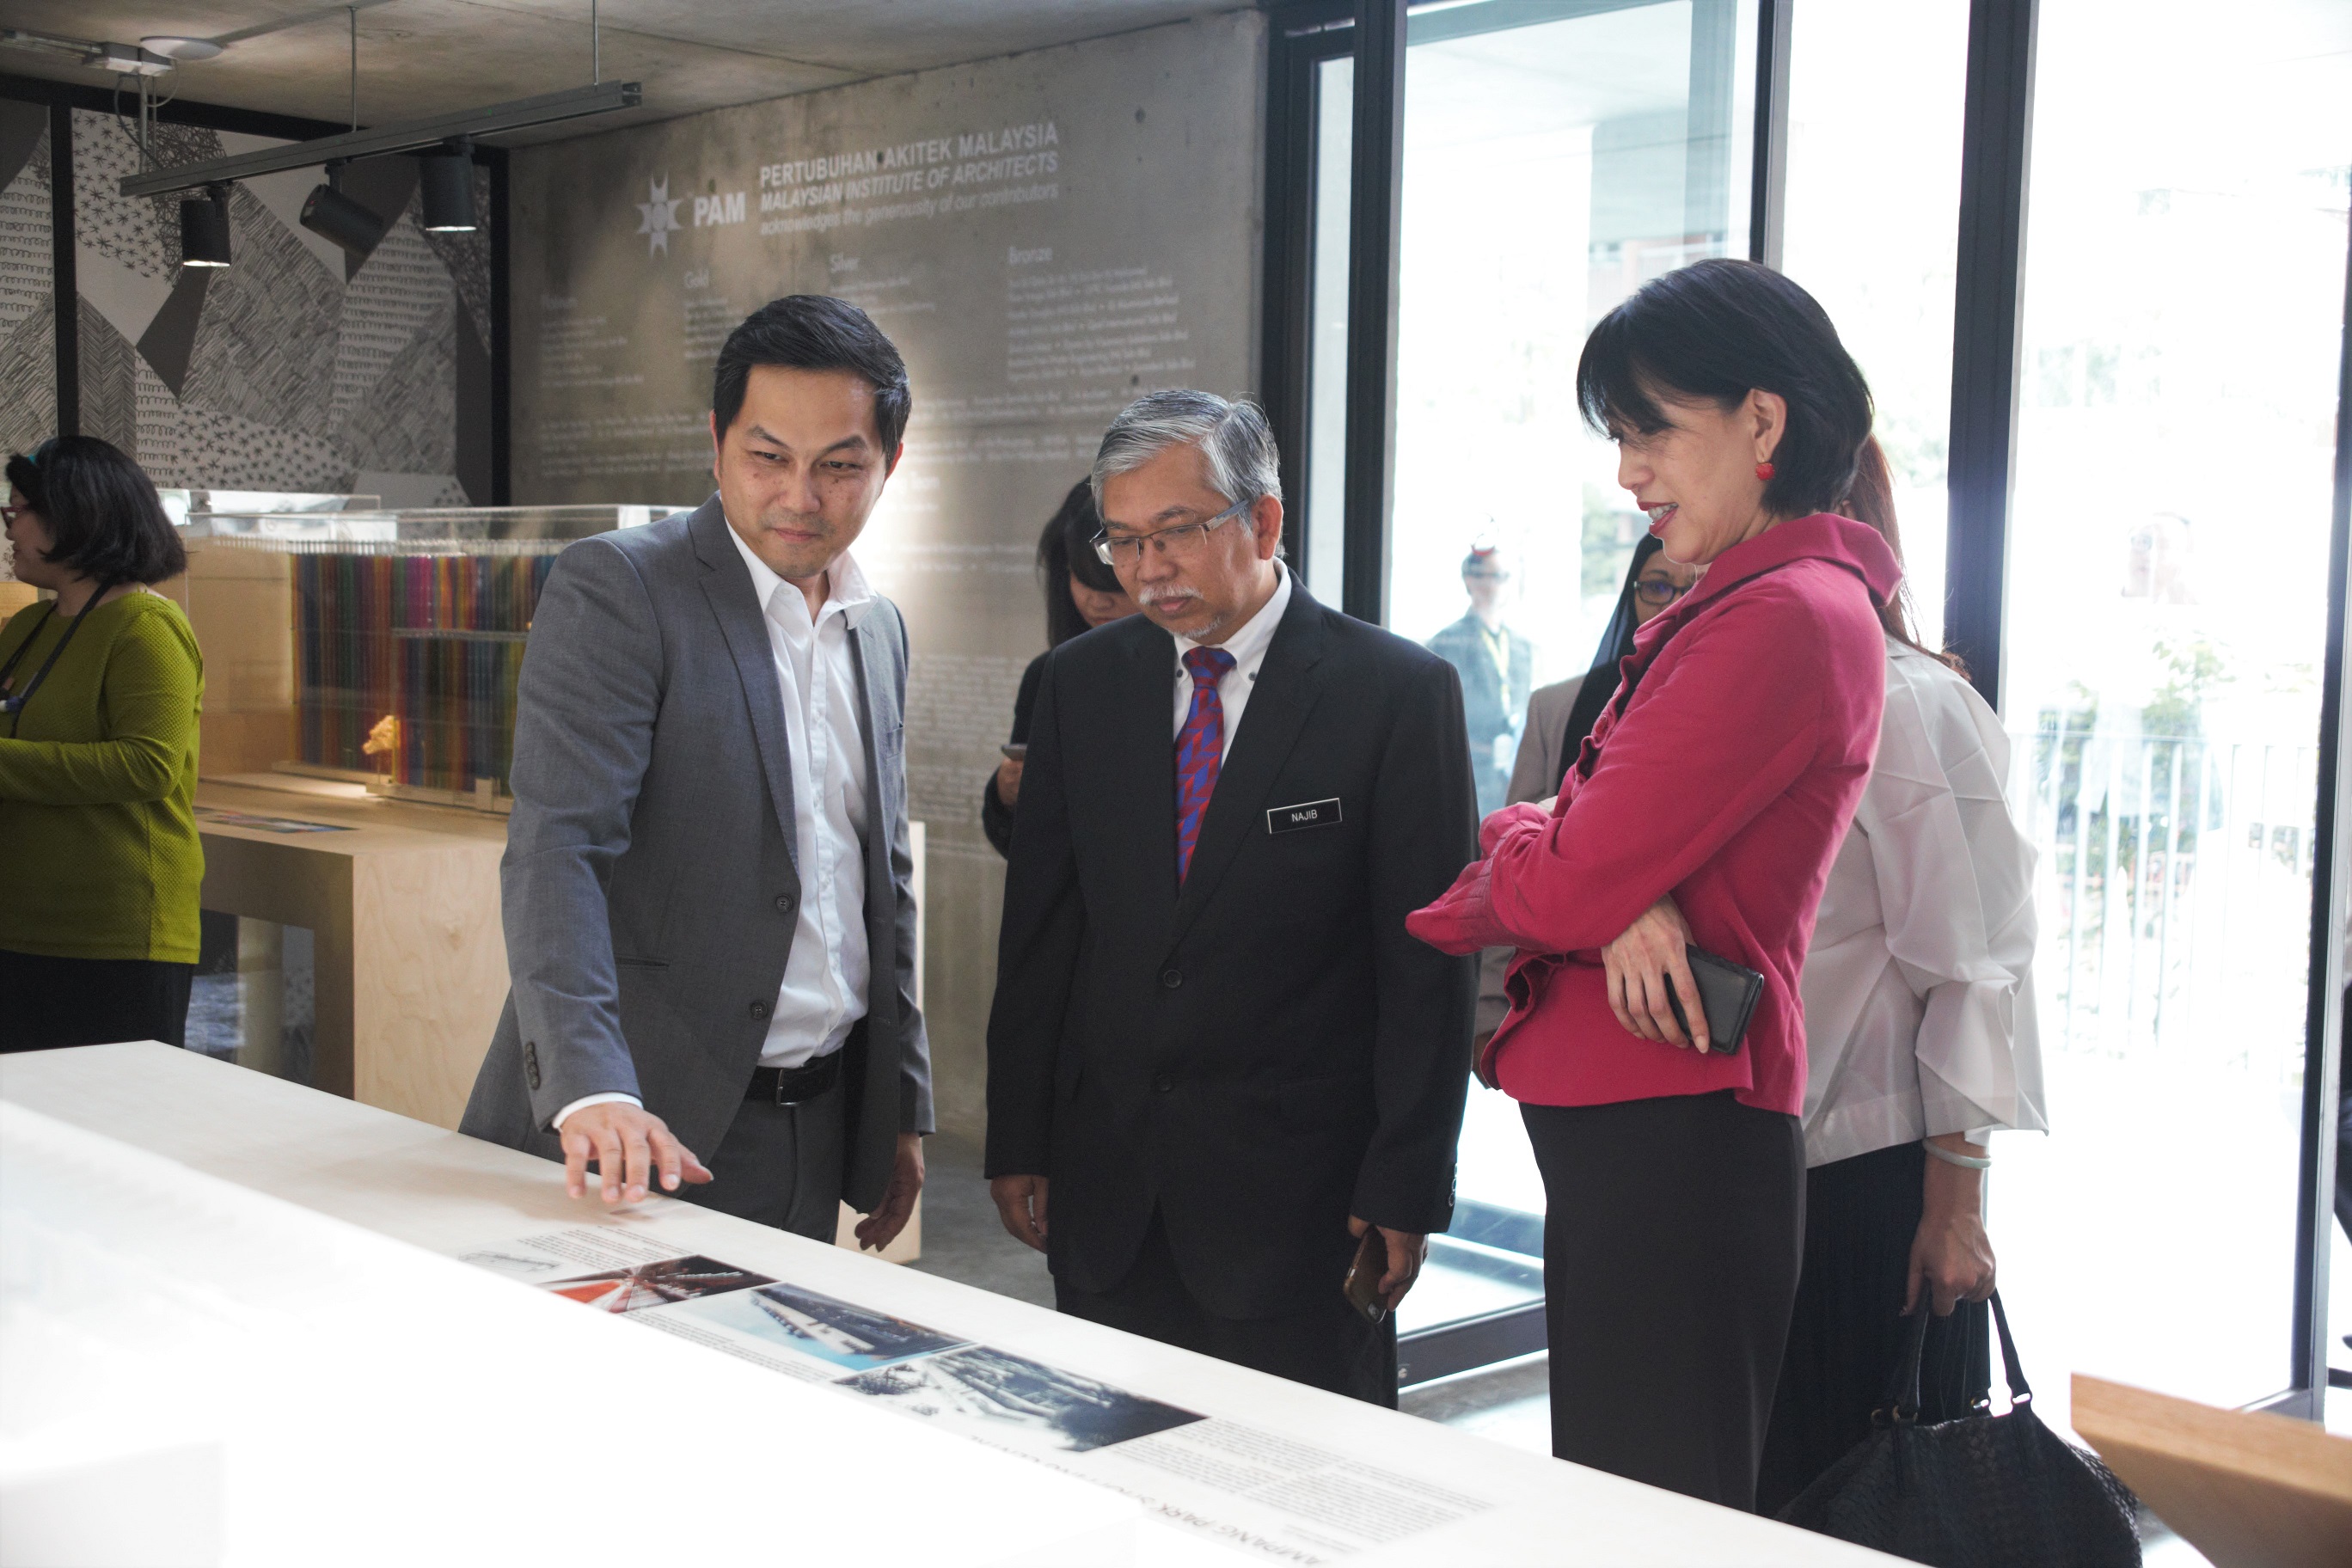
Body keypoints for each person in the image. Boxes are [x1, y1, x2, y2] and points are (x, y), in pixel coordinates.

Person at [1406, 257, 1899, 1510]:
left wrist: (1567, 867)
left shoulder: (1782, 615)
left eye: (1652, 433)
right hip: (1651, 1134)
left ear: (1763, 423)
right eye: (1620, 438)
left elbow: (1559, 873)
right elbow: (1568, 840)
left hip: (1677, 1132)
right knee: (1623, 1502)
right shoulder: (1747, 603)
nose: (1628, 474)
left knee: (1649, 1515)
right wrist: (1582, 865)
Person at [985, 390, 1477, 1405]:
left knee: (1299, 1479)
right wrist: (1018, 1139)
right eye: (1124, 541)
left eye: (1175, 532)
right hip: (1110, 1190)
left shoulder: (1395, 693)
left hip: (1305, 1206)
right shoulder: (1078, 685)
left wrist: (1407, 1182)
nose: (1147, 569)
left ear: (1264, 520)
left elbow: (1426, 968)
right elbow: (1042, 936)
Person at [460, 296, 929, 1250]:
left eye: (840, 466)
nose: (801, 496)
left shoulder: (876, 628)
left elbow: (884, 880)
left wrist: (900, 1107)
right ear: (716, 443)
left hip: (816, 1127)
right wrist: (590, 1084)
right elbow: (558, 851)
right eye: (769, 457)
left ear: (890, 462)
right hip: (635, 1125)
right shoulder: (622, 588)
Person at [1755, 436, 2048, 1514]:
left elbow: (1977, 964)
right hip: (1747, 1160)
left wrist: (1957, 1200)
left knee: (1872, 1502)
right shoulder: (1724, 685)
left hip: (1868, 1173)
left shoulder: (1908, 696)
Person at [0, 437, 205, 1053]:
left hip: (117, 934)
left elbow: (147, 765)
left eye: (18, 512)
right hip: (21, 922)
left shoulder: (148, 627)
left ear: (73, 516)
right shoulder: (28, 626)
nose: (9, 529)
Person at [1474, 536, 1696, 1044]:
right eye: (1657, 586)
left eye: (1694, 587)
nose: (1674, 605)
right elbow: (1507, 864)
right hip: (1555, 1000)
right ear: (1631, 594)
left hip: (1676, 1006)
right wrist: (1489, 1014)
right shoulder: (1557, 708)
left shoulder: (1731, 715)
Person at [982, 481, 1139, 856]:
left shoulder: (1192, 675)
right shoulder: (1048, 674)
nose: (1096, 601)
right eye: (1080, 577)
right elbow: (1022, 849)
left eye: (1111, 584)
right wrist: (1006, 794)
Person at [1425, 544, 1534, 818]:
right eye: (1492, 575)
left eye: (1504, 577)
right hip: (1470, 765)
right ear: (1470, 580)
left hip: (1513, 767)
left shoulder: (1521, 646)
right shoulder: (1447, 642)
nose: (1498, 585)